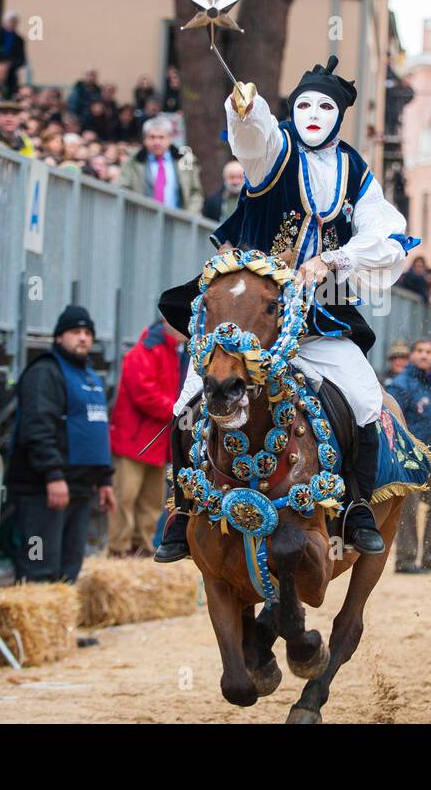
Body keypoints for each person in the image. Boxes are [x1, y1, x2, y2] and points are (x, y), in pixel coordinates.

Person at [157, 55, 416, 561]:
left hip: (318, 318)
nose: (313, 113)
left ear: (340, 116)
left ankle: (358, 507)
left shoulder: (355, 171)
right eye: (303, 104)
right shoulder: (275, 151)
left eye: (324, 106)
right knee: (186, 400)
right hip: (250, 315)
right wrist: (244, 110)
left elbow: (386, 236)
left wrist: (334, 258)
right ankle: (184, 508)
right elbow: (255, 142)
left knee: (365, 398)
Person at [6, 306, 116, 583]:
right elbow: (37, 428)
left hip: (80, 488)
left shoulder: (90, 376)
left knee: (69, 571)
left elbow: (97, 428)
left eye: (88, 333)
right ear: (58, 337)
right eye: (75, 332)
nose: (83, 338)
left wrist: (105, 479)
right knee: (39, 568)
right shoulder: (45, 372)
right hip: (43, 490)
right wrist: (52, 475)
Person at [108, 318, 182, 558]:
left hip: (152, 442)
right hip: (136, 441)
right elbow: (144, 393)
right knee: (126, 498)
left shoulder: (170, 352)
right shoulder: (146, 351)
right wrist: (176, 409)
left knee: (150, 500)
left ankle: (140, 547)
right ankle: (119, 548)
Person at [386, 340, 431, 573]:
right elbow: (391, 422)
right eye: (420, 351)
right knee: (408, 510)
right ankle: (405, 560)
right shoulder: (400, 384)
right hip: (409, 459)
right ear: (412, 355)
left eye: (429, 352)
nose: (424, 355)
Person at [117, 115, 203, 213]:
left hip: (178, 221)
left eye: (161, 137)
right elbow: (122, 189)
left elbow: (196, 192)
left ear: (170, 139)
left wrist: (189, 215)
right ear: (145, 140)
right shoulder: (133, 162)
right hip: (143, 219)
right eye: (152, 137)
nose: (157, 142)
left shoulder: (185, 160)